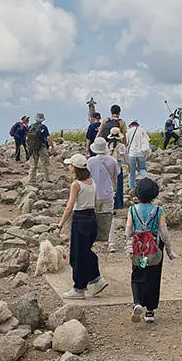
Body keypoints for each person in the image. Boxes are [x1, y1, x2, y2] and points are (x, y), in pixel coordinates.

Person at [125, 177, 176, 325]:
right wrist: (169, 250)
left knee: (138, 273)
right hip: (154, 248)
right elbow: (164, 232)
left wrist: (129, 245)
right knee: (153, 277)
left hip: (139, 248)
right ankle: (150, 311)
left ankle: (137, 302)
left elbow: (128, 231)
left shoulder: (132, 209)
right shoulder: (159, 210)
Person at [58, 155, 107, 300]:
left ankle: (79, 287)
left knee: (77, 254)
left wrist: (60, 225)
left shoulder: (76, 184)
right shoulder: (92, 182)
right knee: (85, 251)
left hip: (80, 219)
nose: (69, 167)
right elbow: (96, 201)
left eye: (70, 165)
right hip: (91, 218)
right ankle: (95, 279)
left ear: (75, 167)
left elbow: (69, 207)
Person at [87, 138, 120, 254]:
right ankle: (111, 243)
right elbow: (115, 177)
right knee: (108, 217)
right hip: (108, 193)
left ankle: (92, 242)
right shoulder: (112, 161)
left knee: (93, 217)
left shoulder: (90, 161)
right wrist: (114, 189)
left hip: (94, 194)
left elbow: (88, 178)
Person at [25, 113, 53, 183]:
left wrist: (28, 146)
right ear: (42, 120)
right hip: (42, 146)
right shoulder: (43, 127)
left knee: (33, 165)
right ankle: (46, 179)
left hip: (33, 147)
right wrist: (52, 146)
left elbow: (27, 138)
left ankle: (32, 179)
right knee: (45, 164)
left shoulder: (31, 126)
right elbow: (48, 138)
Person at [126, 119, 151, 191]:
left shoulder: (128, 131)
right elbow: (147, 140)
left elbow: (126, 143)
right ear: (137, 125)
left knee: (132, 171)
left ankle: (132, 187)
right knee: (142, 169)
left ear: (131, 125)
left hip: (131, 154)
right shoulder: (142, 130)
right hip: (141, 153)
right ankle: (146, 179)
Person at [107, 127, 126, 214]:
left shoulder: (107, 145)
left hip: (108, 169)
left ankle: (110, 203)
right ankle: (118, 204)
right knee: (118, 186)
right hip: (118, 168)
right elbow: (122, 159)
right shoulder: (121, 146)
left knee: (109, 186)